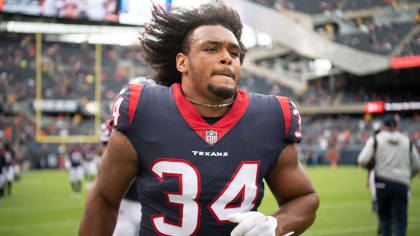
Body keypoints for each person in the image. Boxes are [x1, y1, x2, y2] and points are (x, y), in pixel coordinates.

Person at [79, 3, 319, 236]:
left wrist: (276, 225)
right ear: (182, 62)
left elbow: (304, 198)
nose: (226, 57)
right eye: (212, 49)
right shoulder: (144, 109)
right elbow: (104, 198)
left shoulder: (270, 116)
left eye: (233, 52)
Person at [358, 114, 420, 236]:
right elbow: (417, 165)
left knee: (385, 220)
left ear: (383, 126)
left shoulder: (376, 139)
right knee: (400, 221)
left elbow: (362, 160)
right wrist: (408, 176)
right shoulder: (407, 141)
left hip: (382, 182)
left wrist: (372, 168)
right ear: (397, 126)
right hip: (402, 183)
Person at [100, 120, 142, 236]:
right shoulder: (110, 124)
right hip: (125, 195)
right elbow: (106, 155)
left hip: (144, 193)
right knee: (123, 230)